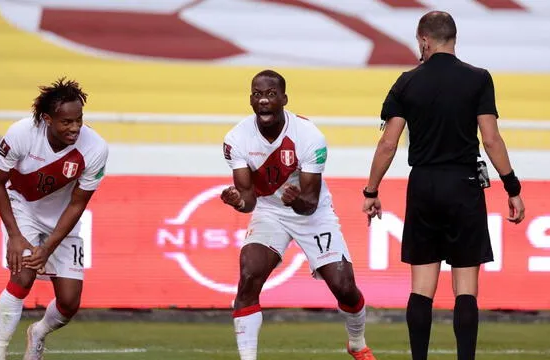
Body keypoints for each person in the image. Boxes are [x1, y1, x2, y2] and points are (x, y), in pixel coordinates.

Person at [362, 11, 525, 360]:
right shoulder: (479, 79)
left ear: (424, 40)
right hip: (464, 184)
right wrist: (512, 187)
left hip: (423, 184)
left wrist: (371, 191)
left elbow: (388, 143)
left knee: (422, 288)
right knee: (466, 289)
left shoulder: (406, 81)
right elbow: (491, 139)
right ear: (453, 38)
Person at [221, 69, 377, 360]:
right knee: (249, 274)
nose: (264, 100)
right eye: (257, 94)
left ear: (284, 99)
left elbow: (310, 202)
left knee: (344, 287)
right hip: (270, 210)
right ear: (251, 100)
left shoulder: (309, 136)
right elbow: (249, 201)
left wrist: (295, 202)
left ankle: (356, 342)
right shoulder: (236, 139)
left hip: (312, 214)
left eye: (270, 94)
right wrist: (237, 202)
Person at [0, 78, 109, 360]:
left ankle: (39, 332)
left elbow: (78, 203)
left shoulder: (95, 149)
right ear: (47, 119)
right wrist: (15, 236)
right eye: (66, 122)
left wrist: (48, 248)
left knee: (69, 303)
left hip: (63, 221)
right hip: (24, 208)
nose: (75, 127)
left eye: (78, 120)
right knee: (22, 276)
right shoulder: (21, 134)